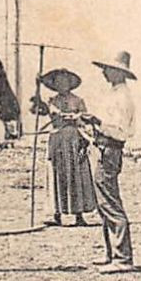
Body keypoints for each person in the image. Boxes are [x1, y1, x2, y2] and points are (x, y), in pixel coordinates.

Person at [82, 52, 137, 272]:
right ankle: (111, 253)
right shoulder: (113, 94)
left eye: (108, 69)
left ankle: (123, 258)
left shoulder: (123, 97)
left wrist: (97, 121)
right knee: (102, 203)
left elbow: (121, 131)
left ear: (118, 72)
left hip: (110, 150)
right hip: (101, 147)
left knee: (110, 203)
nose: (104, 72)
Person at [29, 68, 97, 227]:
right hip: (57, 142)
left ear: (70, 84)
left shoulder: (78, 101)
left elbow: (86, 120)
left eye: (65, 81)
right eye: (58, 82)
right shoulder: (50, 101)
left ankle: (79, 215)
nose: (62, 85)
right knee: (58, 175)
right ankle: (56, 213)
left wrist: (80, 126)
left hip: (75, 141)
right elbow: (35, 109)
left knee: (76, 175)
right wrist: (36, 88)